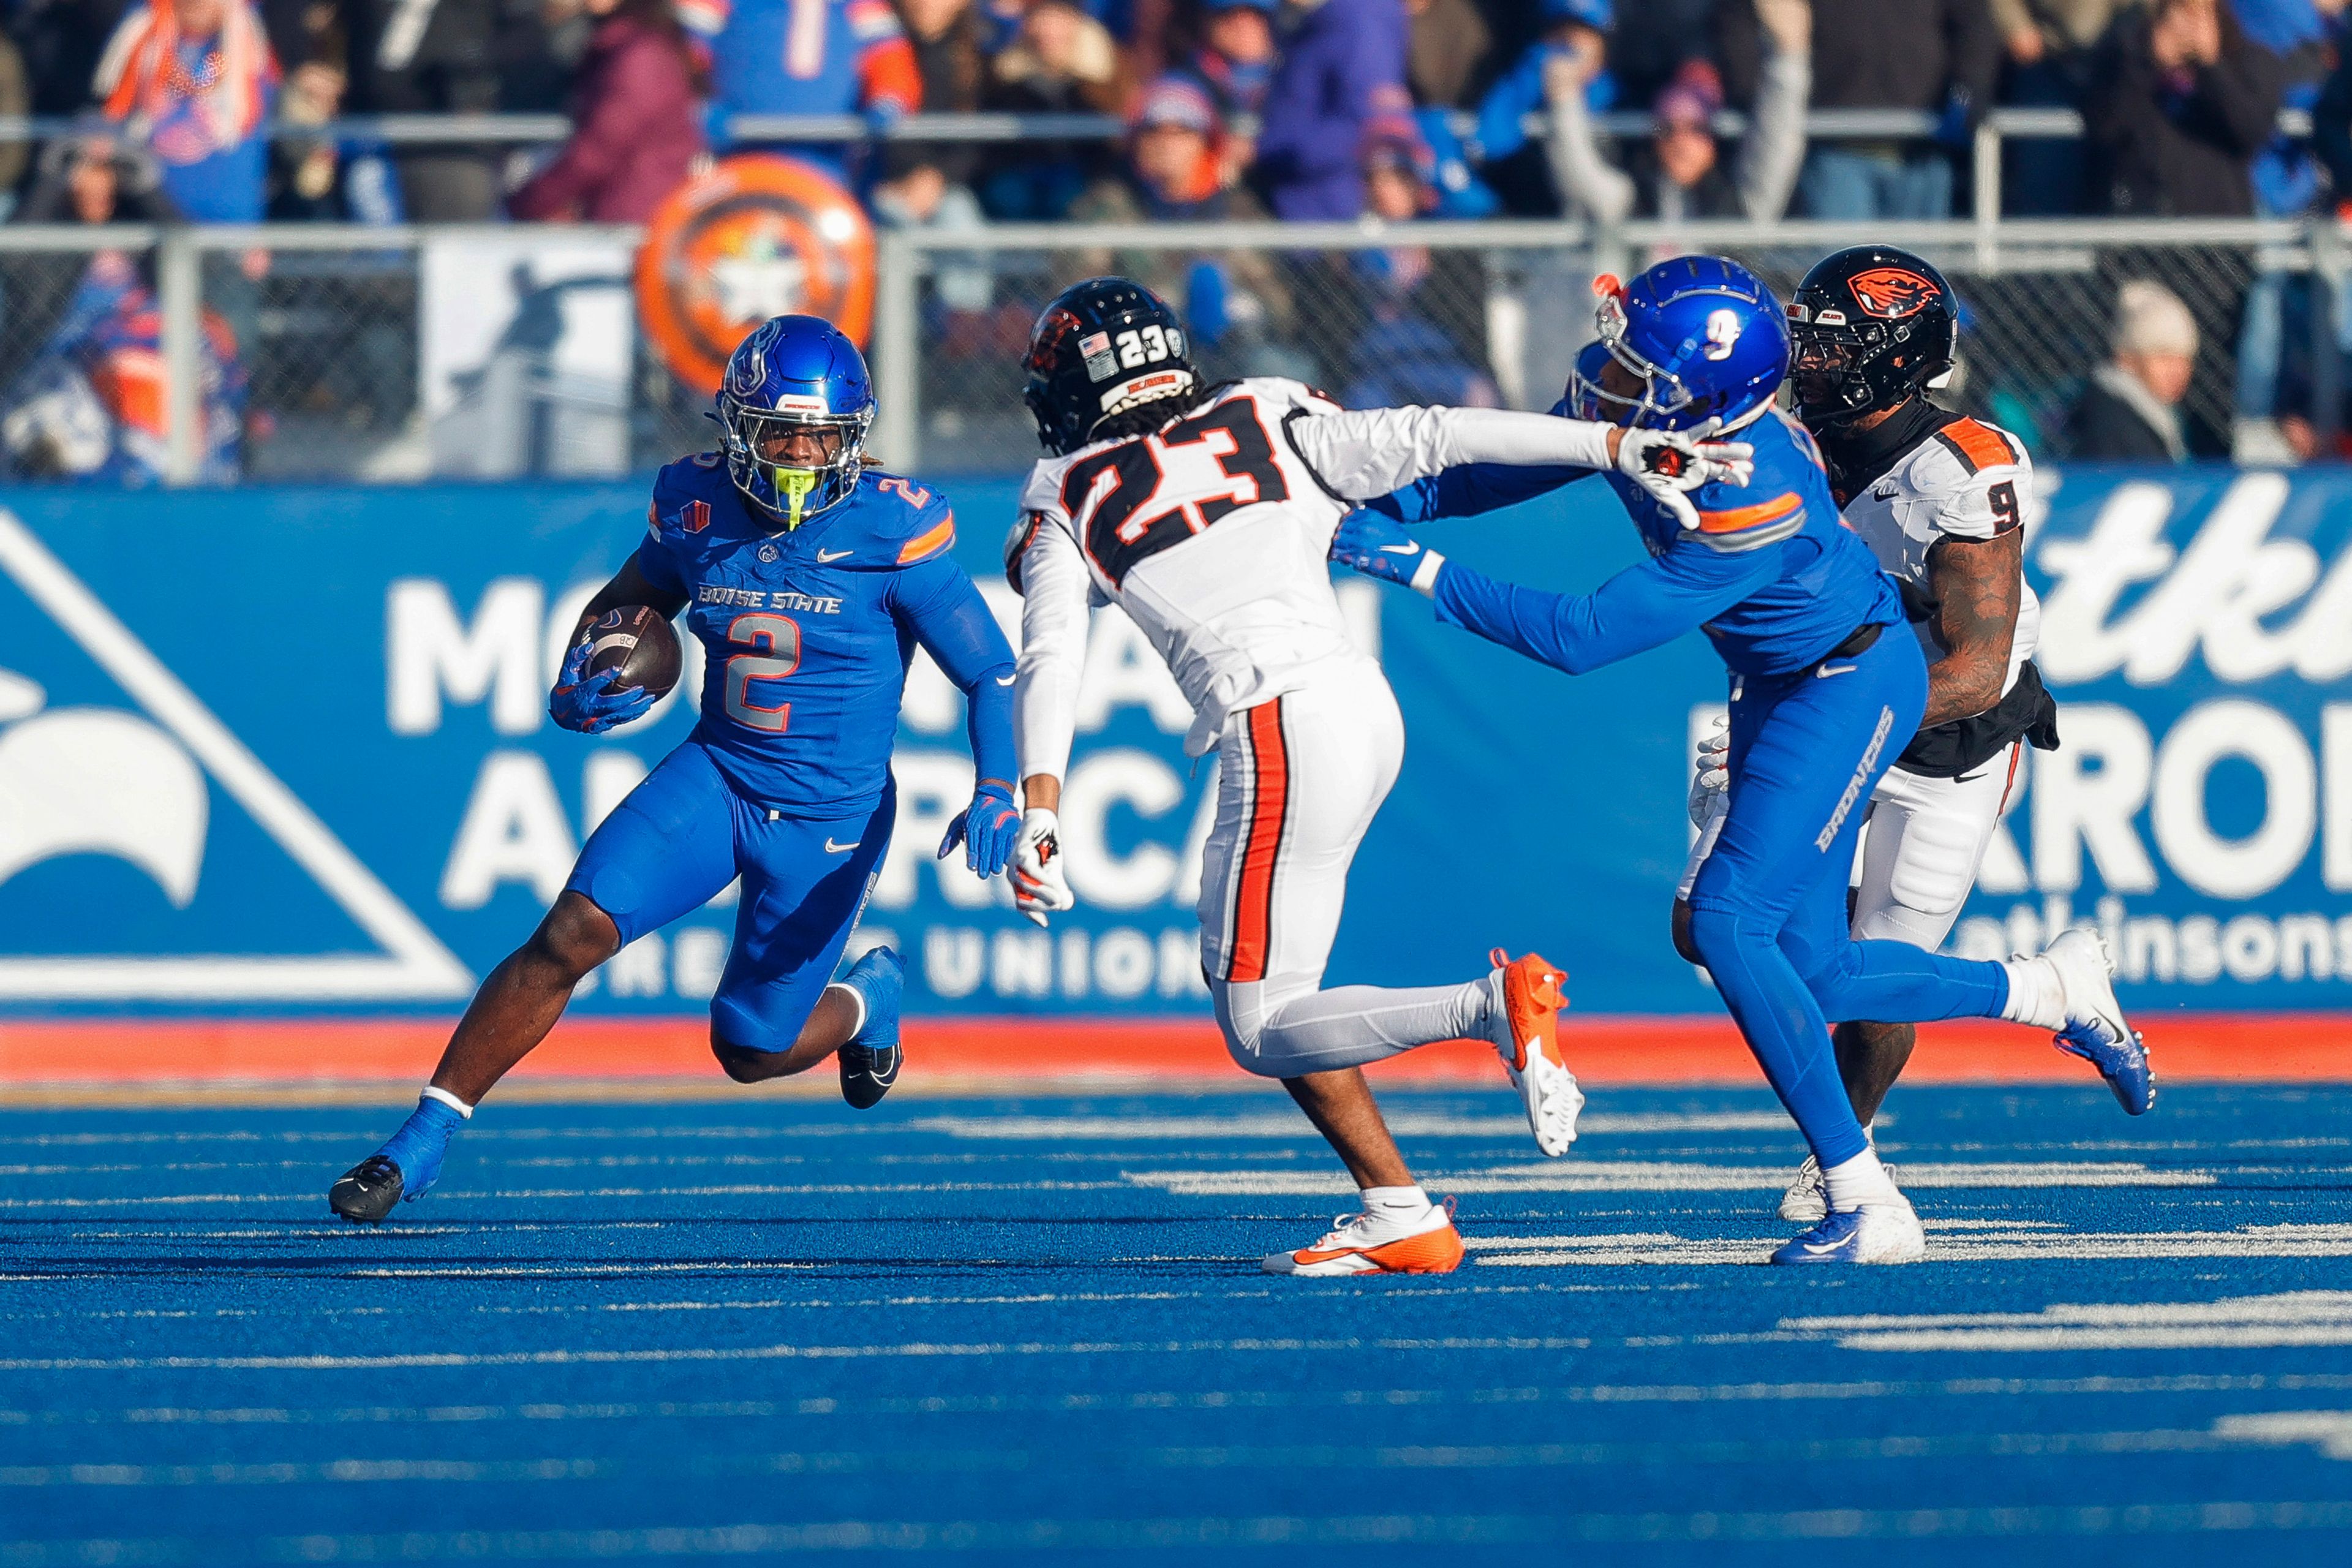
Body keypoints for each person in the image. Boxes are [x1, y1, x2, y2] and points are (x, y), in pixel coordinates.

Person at [1334, 257, 2146, 1265]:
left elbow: (1581, 635)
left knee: (1729, 918)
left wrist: (1411, 564)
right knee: (1809, 964)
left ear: (1703, 393)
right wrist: (1362, 500)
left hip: (1855, 688)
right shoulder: (1676, 409)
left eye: (1640, 361)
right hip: (1789, 680)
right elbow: (1508, 463)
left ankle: (1864, 1195)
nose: (1609, 372)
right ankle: (2045, 993)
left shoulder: (1754, 492)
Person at [1003, 276, 1752, 1275]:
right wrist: (1610, 445)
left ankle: (1486, 1008)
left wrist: (1040, 801)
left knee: (1258, 1025)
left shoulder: (1069, 492)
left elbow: (1052, 654)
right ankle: (1400, 1213)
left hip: (1272, 723)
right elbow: (1444, 432)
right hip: (1360, 707)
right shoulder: (1266, 405)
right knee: (1279, 999)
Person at [326, 316, 1024, 1224]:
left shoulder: (895, 526)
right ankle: (421, 1139)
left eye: (821, 436)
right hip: (720, 773)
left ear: (855, 438)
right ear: (736, 428)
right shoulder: (695, 506)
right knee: (570, 933)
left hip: (828, 816)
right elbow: (634, 599)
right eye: (780, 432)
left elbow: (989, 670)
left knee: (749, 1048)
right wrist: (588, 668)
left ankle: (868, 998)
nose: (801, 457)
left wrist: (1000, 786)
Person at [1679, 247, 2149, 1225]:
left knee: (1880, 983)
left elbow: (1975, 668)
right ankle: (2046, 987)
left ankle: (1844, 1155)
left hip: (1952, 740)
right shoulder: (1783, 440)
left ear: (1896, 358)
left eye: (1830, 346)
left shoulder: (1964, 467)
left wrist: (1821, 718)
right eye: (1804, 342)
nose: (1804, 362)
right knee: (1711, 927)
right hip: (1811, 704)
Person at [1720, 0, 2000, 221]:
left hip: (1922, 148)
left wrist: (1971, 87)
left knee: (1918, 285)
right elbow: (1740, 18)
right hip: (1832, 147)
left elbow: (1974, 24)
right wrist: (1753, 95)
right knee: (1840, 281)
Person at [2081, 0, 2287, 217]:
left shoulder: (2249, 60)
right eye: (2180, 8)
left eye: (2199, 10)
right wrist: (2151, 58)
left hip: (2219, 230)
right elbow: (2105, 126)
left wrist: (2211, 66)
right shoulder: (2124, 55)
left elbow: (2252, 131)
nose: (2188, 20)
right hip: (2139, 226)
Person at [508, 0, 706, 222]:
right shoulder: (615, 45)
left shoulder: (640, 56)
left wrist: (532, 200)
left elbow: (599, 149)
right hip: (627, 212)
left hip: (639, 220)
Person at [92, 0, 281, 224]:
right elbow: (113, 110)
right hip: (147, 226)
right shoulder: (143, 40)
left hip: (230, 230)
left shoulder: (248, 48)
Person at [1252, 0, 1412, 219]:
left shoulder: (1360, 24)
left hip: (1327, 210)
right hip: (1294, 197)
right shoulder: (1315, 21)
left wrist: (1264, 150)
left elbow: (1372, 126)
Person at [2067, 277, 2198, 459]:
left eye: (2185, 359)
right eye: (2164, 357)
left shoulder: (2152, 416)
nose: (2178, 371)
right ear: (2128, 359)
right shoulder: (2112, 425)